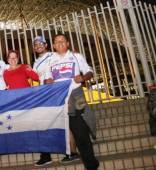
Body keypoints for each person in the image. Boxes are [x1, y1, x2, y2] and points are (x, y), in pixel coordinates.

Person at [44, 33, 99, 170]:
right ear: (54, 45)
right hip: (59, 98)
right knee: (66, 130)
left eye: (63, 41)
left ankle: (91, 165)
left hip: (75, 96)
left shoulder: (76, 56)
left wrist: (83, 77)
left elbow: (89, 72)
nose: (60, 43)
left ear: (68, 43)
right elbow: (46, 79)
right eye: (57, 42)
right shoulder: (50, 60)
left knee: (80, 132)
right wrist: (48, 81)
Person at [33, 36, 79, 166]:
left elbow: (68, 57)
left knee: (65, 122)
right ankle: (46, 155)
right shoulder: (35, 63)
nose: (38, 46)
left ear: (46, 44)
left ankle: (72, 152)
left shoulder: (54, 55)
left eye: (41, 43)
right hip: (44, 95)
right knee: (44, 123)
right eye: (35, 44)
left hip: (58, 92)